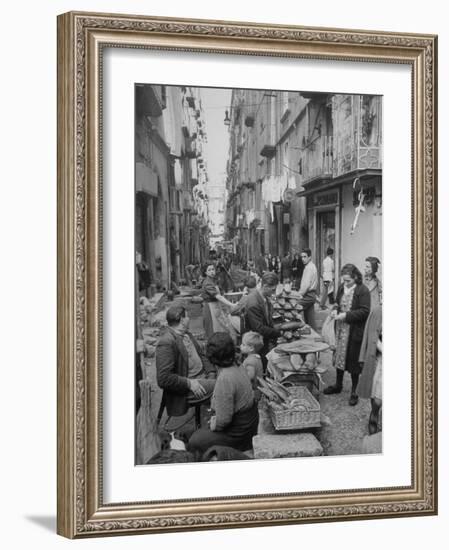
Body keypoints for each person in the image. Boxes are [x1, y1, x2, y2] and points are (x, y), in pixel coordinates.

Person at [188, 332, 259, 455]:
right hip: (250, 421)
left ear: (212, 356)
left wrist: (213, 423)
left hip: (240, 432)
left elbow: (224, 421)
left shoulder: (225, 378)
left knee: (195, 441)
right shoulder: (237, 363)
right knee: (204, 428)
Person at [156, 304, 216, 419]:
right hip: (185, 389)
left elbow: (201, 355)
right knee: (223, 386)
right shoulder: (166, 342)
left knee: (227, 374)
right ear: (182, 320)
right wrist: (189, 383)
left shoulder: (186, 334)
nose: (189, 319)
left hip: (202, 376)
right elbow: (163, 379)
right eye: (187, 317)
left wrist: (211, 372)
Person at [323, 264, 371, 406]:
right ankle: (338, 385)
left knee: (354, 361)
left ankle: (354, 391)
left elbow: (364, 311)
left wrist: (346, 315)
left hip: (354, 331)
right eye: (344, 280)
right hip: (340, 329)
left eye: (348, 280)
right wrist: (335, 310)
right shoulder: (341, 287)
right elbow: (337, 303)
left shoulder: (363, 291)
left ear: (356, 277)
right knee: (339, 356)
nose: (346, 283)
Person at [244, 271, 282, 369]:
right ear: (265, 286)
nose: (274, 293)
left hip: (263, 340)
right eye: (272, 290)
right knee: (259, 368)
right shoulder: (253, 302)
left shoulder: (264, 298)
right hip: (255, 344)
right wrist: (279, 332)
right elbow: (259, 328)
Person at [357, 305, 383, 434]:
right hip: (382, 357)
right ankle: (374, 417)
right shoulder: (379, 311)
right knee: (378, 396)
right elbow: (372, 335)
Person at [201, 264, 238, 343]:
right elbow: (218, 297)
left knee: (222, 328)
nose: (212, 272)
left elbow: (221, 294)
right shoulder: (207, 282)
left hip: (216, 307)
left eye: (213, 269)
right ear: (205, 272)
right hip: (210, 308)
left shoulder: (213, 280)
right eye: (209, 270)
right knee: (213, 330)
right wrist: (232, 305)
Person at [298, 248, 318, 330]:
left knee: (293, 307)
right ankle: (314, 335)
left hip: (308, 295)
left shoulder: (309, 268)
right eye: (302, 257)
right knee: (310, 319)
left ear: (310, 257)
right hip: (311, 295)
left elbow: (306, 285)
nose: (303, 259)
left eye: (305, 257)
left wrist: (298, 295)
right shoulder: (311, 266)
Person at [240, 331, 264, 402]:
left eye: (243, 344)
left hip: (253, 392)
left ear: (251, 348)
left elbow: (250, 377)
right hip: (258, 390)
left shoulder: (250, 361)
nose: (241, 346)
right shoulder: (257, 357)